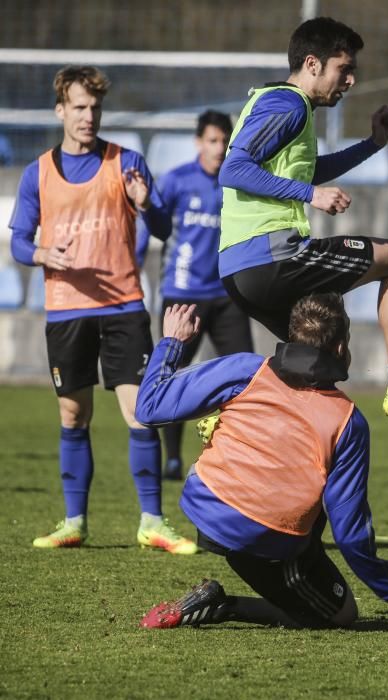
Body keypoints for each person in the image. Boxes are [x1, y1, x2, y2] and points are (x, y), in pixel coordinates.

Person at [135, 297, 388, 629]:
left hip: (205, 507)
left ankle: (236, 588)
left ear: (292, 336)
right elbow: (349, 527)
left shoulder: (246, 369)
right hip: (266, 539)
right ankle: (224, 604)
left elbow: (150, 408)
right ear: (341, 348)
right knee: (342, 614)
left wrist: (172, 342)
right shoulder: (348, 421)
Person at [217, 16, 388, 421]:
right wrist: (310, 196)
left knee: (315, 362)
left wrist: (372, 145)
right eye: (343, 69)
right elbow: (234, 169)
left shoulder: (285, 105)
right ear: (313, 64)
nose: (350, 81)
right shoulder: (287, 104)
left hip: (242, 267)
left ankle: (228, 411)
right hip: (270, 258)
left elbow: (305, 171)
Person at [9, 65, 196, 554]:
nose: (88, 116)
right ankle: (75, 522)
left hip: (122, 307)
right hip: (66, 311)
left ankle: (152, 522)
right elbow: (19, 244)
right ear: (60, 110)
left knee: (142, 415)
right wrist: (43, 254)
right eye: (78, 107)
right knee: (74, 416)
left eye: (94, 108)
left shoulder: (127, 163)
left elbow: (160, 228)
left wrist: (145, 203)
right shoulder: (38, 173)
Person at [136, 110, 253, 480]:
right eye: (213, 141)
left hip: (228, 295)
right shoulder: (176, 182)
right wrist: (135, 266)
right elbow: (150, 227)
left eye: (224, 141)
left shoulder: (238, 182)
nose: (219, 149)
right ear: (199, 142)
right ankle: (172, 458)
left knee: (246, 378)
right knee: (173, 376)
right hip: (183, 295)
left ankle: (241, 457)